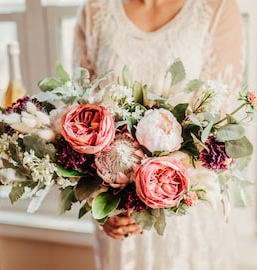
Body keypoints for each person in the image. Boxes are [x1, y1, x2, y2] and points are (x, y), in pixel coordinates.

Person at [73, 0, 244, 269]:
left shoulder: (216, 7)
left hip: (187, 206)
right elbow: (82, 115)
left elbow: (218, 122)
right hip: (120, 210)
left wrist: (158, 185)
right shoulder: (95, 9)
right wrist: (101, 206)